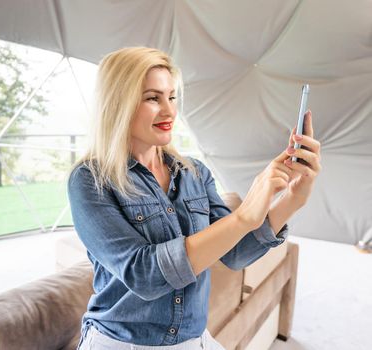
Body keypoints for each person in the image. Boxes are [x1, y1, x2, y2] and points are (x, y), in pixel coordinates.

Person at [67, 47, 321, 349]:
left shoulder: (194, 172)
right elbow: (144, 274)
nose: (169, 110)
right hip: (122, 342)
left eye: (171, 97)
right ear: (118, 103)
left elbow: (235, 253)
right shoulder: (89, 180)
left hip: (194, 339)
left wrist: (292, 198)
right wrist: (242, 216)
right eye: (153, 97)